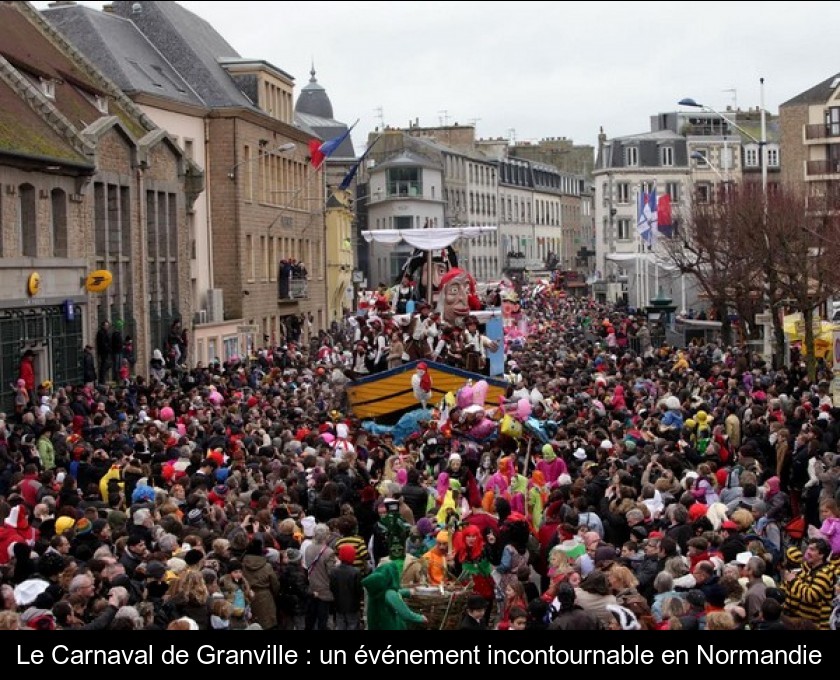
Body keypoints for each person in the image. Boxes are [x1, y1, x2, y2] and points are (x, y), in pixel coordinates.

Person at [781, 538, 836, 629]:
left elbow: (810, 596)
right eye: (808, 548)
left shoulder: (825, 573)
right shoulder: (811, 569)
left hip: (817, 626)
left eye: (812, 549)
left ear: (821, 555)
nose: (807, 552)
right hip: (805, 623)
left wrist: (794, 581)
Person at [362, 560, 427, 631]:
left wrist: (407, 592)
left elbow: (390, 594)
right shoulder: (390, 593)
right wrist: (420, 618)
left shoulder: (377, 589)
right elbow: (405, 613)